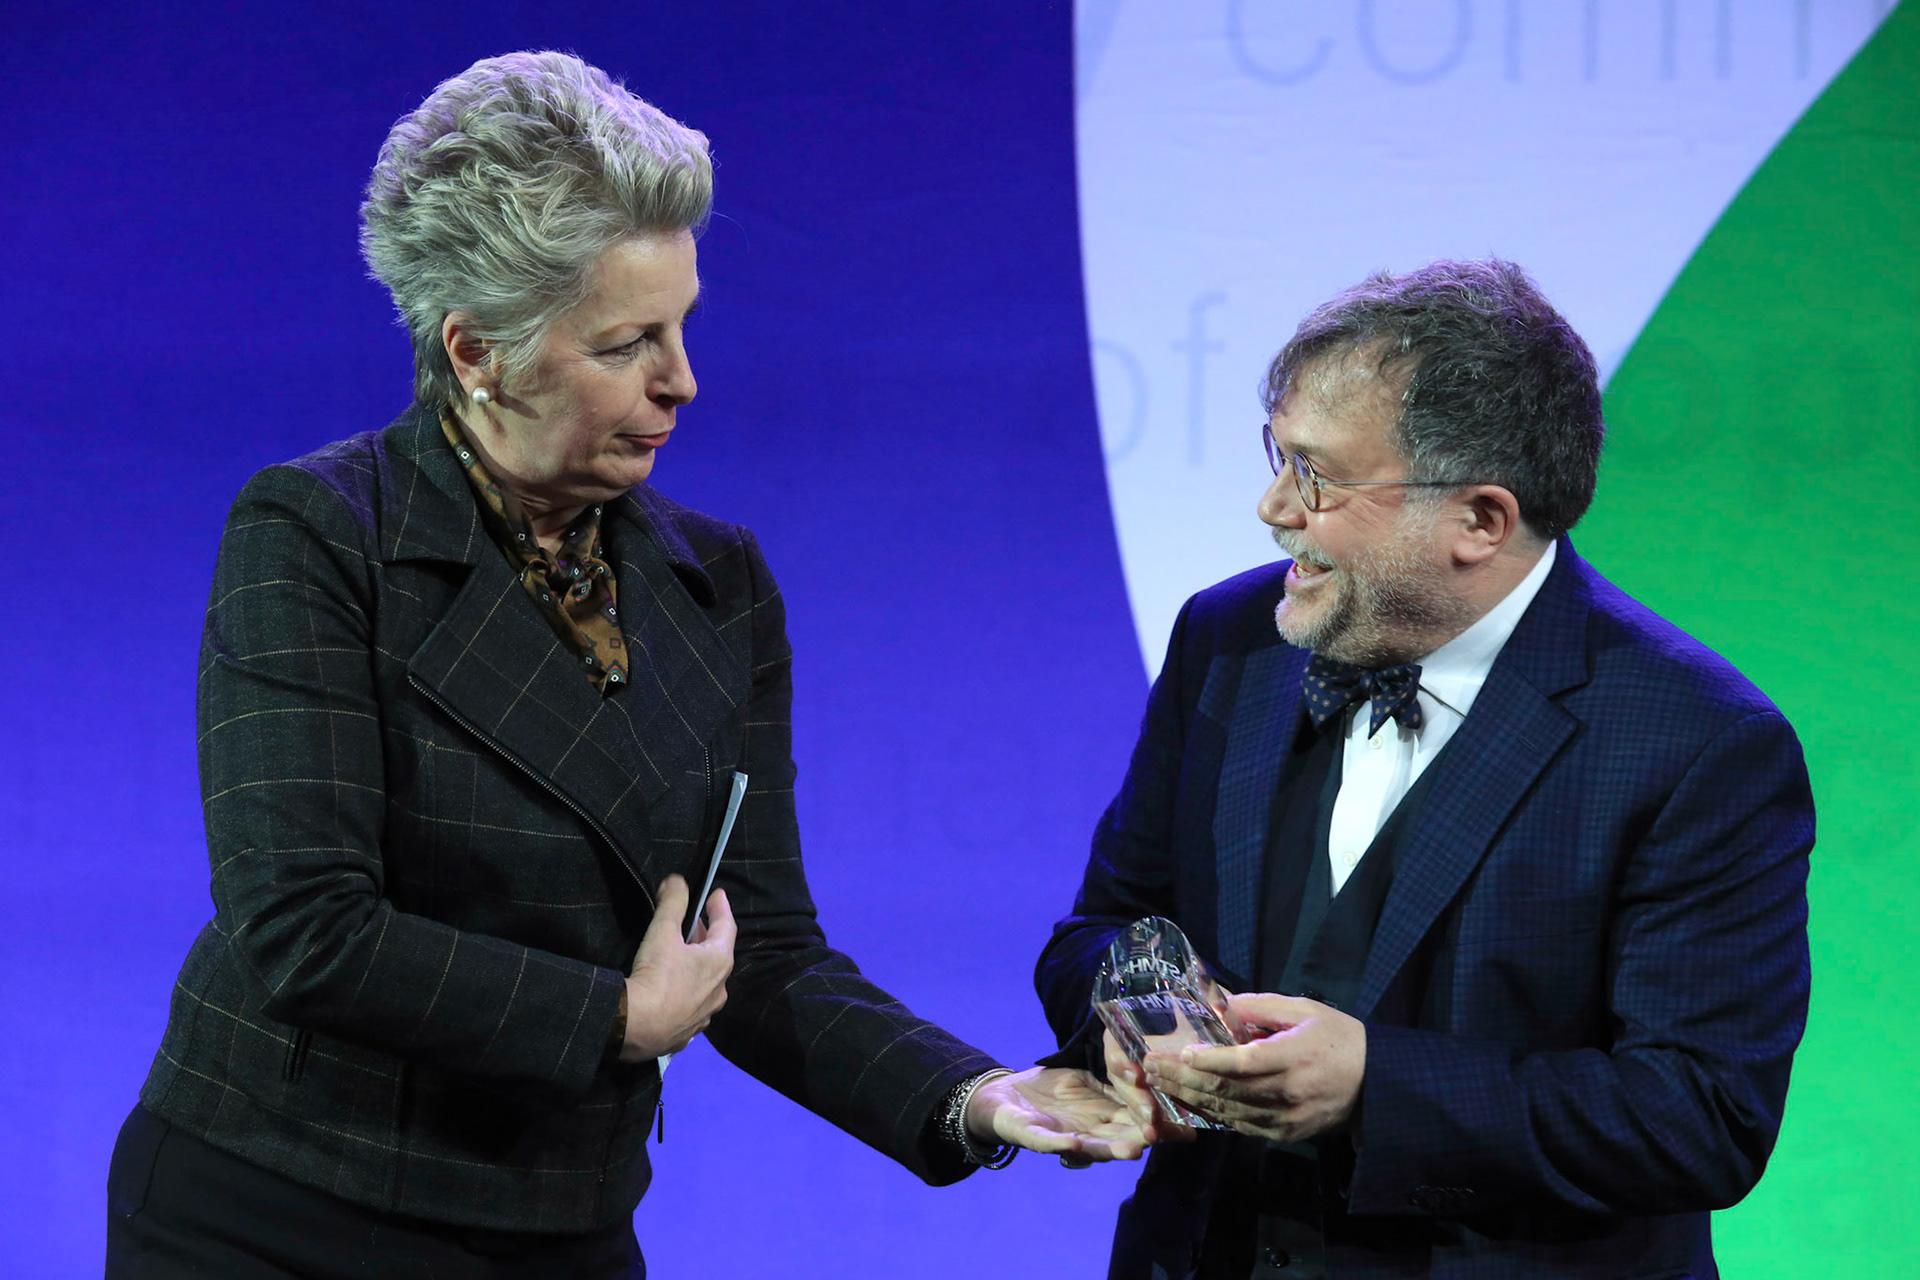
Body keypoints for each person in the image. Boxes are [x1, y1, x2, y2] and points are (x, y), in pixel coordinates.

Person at [106, 50, 1140, 1279]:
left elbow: (758, 950)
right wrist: (614, 1015)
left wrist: (971, 1094)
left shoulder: (718, 580)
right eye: (626, 343)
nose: (681, 381)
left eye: (683, 326)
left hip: (563, 1220)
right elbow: (307, 927)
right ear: (479, 350)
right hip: (287, 1208)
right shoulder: (322, 534)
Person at [1036, 260, 1813, 1278]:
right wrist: (1146, 1025)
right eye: (1277, 453)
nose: (1273, 506)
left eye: (1316, 474)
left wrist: (1373, 1086)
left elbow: (1700, 1115)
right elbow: (1102, 924)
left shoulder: (1700, 742)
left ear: (1480, 520)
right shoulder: (1229, 637)